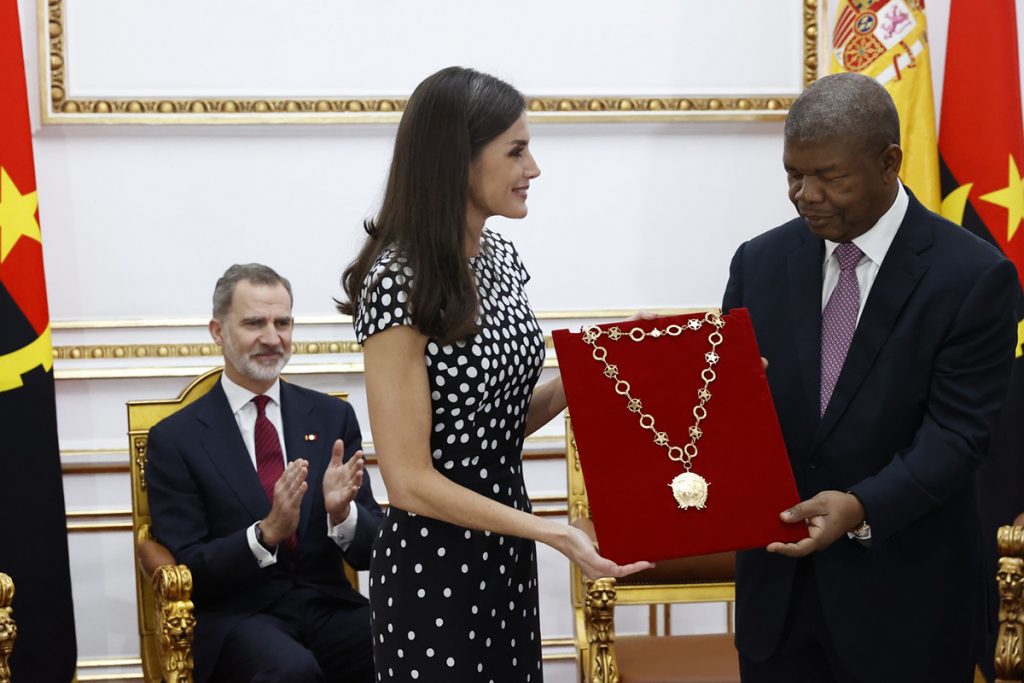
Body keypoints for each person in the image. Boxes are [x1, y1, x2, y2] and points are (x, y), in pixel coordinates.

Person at [338, 66, 651, 681]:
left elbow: (494, 422)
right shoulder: (396, 281)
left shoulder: (500, 256)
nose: (533, 168)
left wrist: (603, 363)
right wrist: (549, 532)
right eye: (516, 150)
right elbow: (407, 481)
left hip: (504, 552)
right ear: (458, 160)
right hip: (435, 570)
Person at [721, 72, 1021, 682]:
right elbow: (733, 407)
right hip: (777, 601)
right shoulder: (759, 262)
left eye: (829, 176)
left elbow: (957, 435)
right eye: (792, 175)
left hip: (906, 601)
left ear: (890, 163)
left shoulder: (973, 276)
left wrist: (861, 506)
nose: (806, 194)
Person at [147, 263, 383, 683]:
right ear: (218, 331)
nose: (272, 338)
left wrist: (341, 516)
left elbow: (371, 552)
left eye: (283, 322)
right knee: (291, 671)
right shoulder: (175, 439)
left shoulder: (332, 417)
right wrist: (265, 534)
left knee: (402, 643)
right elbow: (189, 568)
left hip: (326, 605)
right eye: (255, 323)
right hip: (239, 617)